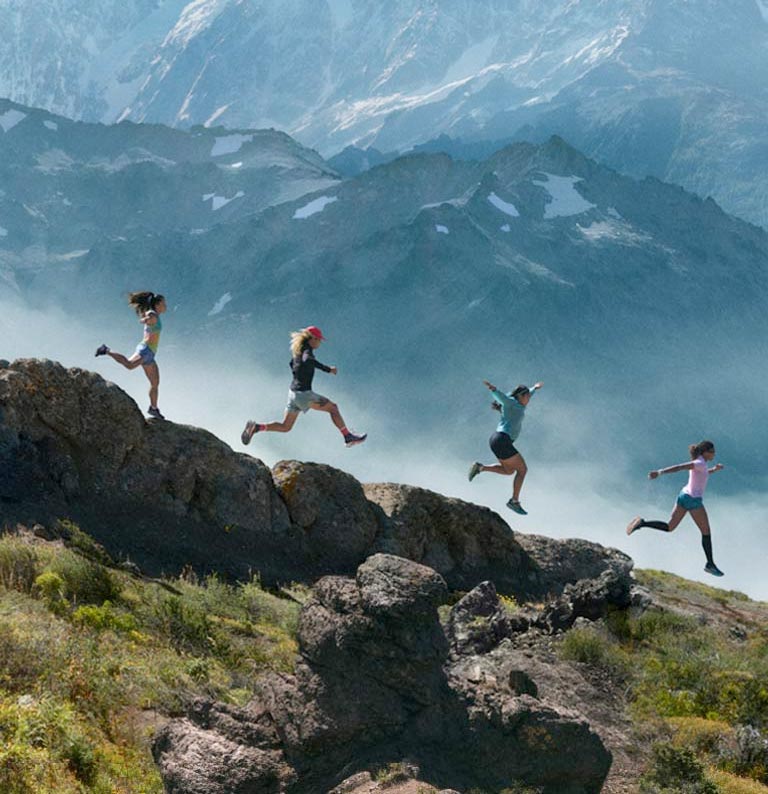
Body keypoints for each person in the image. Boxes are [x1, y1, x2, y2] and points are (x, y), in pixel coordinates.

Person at [241, 326, 367, 448]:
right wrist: (328, 369)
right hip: (304, 394)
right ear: (312, 339)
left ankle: (257, 427)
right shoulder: (307, 351)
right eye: (319, 340)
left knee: (286, 427)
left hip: (293, 394)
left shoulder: (298, 351)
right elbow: (308, 361)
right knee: (333, 408)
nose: (319, 343)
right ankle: (348, 437)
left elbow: (291, 364)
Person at [626, 440, 725, 577]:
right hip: (693, 501)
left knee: (669, 527)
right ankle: (710, 564)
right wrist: (659, 472)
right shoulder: (699, 463)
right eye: (712, 451)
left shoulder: (700, 463)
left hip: (683, 496)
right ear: (705, 452)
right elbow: (679, 467)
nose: (714, 454)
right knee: (706, 532)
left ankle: (642, 523)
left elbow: (701, 474)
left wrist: (714, 470)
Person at [468, 379, 543, 514]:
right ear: (519, 396)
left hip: (497, 441)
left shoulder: (519, 405)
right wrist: (493, 389)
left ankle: (480, 468)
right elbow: (503, 398)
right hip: (502, 439)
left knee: (508, 471)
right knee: (522, 470)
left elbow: (529, 393)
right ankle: (514, 501)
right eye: (526, 396)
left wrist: (535, 388)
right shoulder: (512, 403)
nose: (528, 399)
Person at [95, 291, 167, 419]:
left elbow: (148, 318)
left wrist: (146, 319)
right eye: (163, 303)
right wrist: (146, 319)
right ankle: (106, 350)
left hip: (150, 353)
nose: (165, 306)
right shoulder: (153, 314)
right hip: (145, 350)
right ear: (157, 305)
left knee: (155, 383)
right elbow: (147, 318)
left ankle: (153, 408)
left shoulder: (155, 315)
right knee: (129, 365)